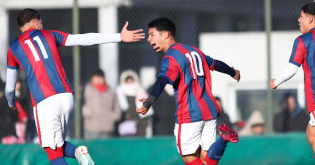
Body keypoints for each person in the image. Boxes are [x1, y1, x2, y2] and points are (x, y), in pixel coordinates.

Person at [5, 8, 144, 165]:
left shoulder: (13, 48)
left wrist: (11, 103)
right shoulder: (50, 34)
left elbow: (10, 87)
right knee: (57, 144)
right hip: (66, 97)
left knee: (52, 152)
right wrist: (119, 36)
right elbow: (83, 39)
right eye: (41, 22)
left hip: (44, 101)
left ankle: (78, 153)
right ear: (36, 23)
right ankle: (79, 153)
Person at [136, 18, 240, 165]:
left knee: (189, 158)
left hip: (189, 114)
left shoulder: (170, 57)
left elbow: (161, 80)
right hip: (209, 110)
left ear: (165, 34)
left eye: (152, 34)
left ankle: (223, 139)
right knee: (206, 158)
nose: (149, 38)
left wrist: (149, 102)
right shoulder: (194, 51)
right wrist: (232, 72)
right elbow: (215, 64)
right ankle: (223, 139)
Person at [269, 2, 315, 157]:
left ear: (310, 19)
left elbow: (291, 70)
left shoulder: (304, 40)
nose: (298, 20)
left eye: (301, 16)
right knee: (311, 133)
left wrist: (275, 82)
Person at [82, 69, 121, 139]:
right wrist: (88, 113)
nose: (98, 80)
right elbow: (82, 103)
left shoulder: (110, 90)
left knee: (106, 149)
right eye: (96, 77)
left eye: (100, 77)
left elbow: (117, 105)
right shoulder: (87, 89)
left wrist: (114, 116)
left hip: (107, 126)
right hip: (92, 126)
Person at [116, 70, 154, 137]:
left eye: (131, 81)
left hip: (140, 121)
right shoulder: (120, 93)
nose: (130, 83)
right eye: (128, 81)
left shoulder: (140, 91)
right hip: (127, 120)